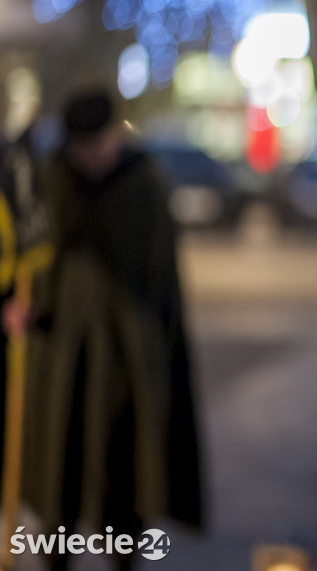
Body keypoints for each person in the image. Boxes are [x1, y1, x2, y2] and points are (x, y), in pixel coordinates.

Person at [21, 89, 202, 571]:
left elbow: (160, 274)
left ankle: (123, 555)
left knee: (123, 465)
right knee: (59, 462)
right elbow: (34, 258)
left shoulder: (143, 182)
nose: (93, 158)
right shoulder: (51, 180)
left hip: (126, 352)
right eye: (83, 148)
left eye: (99, 145)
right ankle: (54, 556)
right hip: (62, 350)